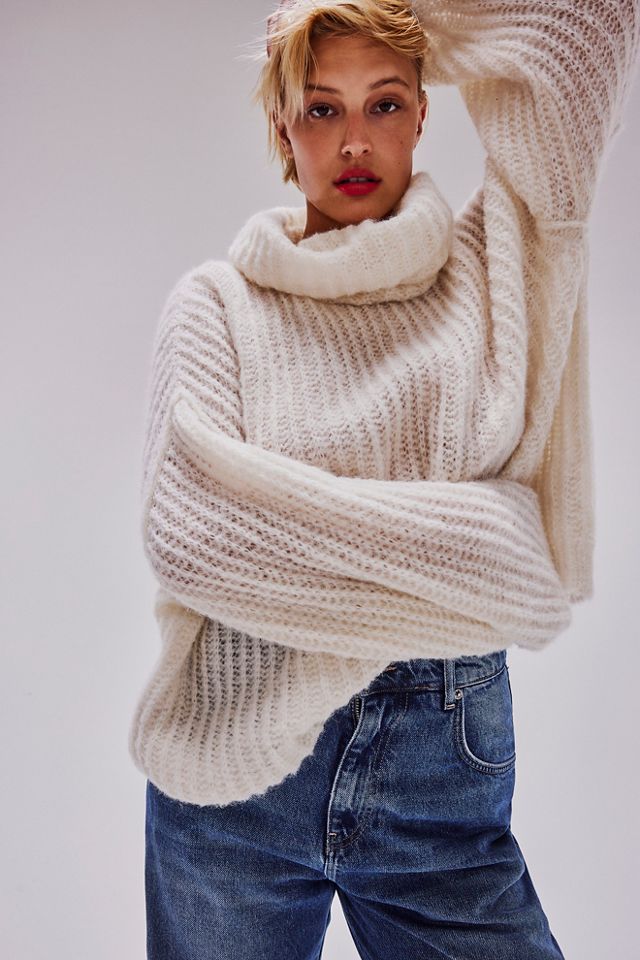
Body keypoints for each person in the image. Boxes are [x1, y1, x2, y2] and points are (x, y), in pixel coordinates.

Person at [130, 1, 639, 957]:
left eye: (387, 101)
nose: (355, 140)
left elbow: (588, 27)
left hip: (436, 781)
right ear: (282, 125)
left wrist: (407, 17)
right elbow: (197, 537)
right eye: (321, 108)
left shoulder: (496, 265)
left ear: (424, 111)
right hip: (229, 783)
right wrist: (489, 545)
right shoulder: (216, 306)